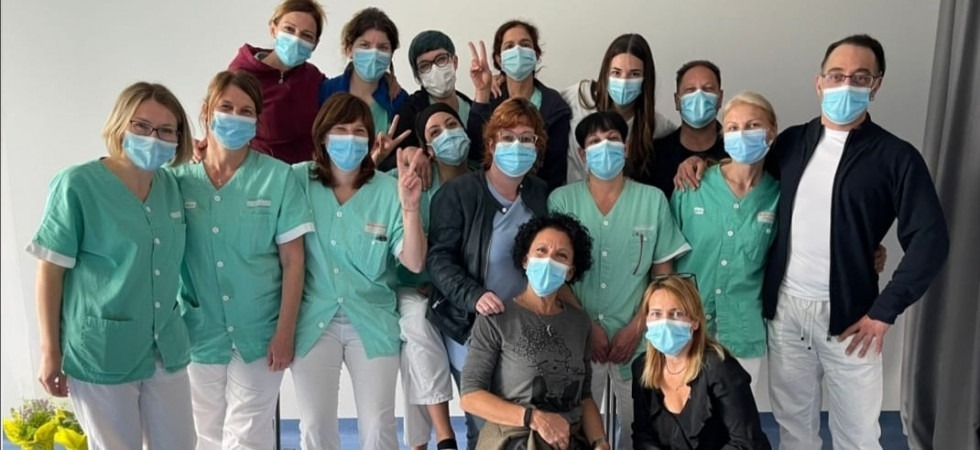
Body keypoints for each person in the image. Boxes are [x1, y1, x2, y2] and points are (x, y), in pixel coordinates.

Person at [763, 34, 949, 449]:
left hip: (853, 318)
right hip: (787, 313)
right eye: (836, 75)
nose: (845, 85)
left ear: (876, 85)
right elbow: (748, 197)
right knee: (794, 430)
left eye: (859, 77)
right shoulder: (791, 143)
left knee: (859, 436)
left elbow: (930, 238)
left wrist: (885, 311)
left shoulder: (896, 157)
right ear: (819, 82)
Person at [28, 82, 195, 449]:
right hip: (102, 349)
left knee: (181, 443)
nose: (153, 137)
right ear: (121, 124)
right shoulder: (78, 184)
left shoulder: (170, 186)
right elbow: (50, 271)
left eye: (166, 130)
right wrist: (50, 351)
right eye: (142, 125)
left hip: (165, 346)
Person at [172, 70, 313, 450]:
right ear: (206, 111)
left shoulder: (278, 178)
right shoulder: (178, 180)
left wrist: (285, 332)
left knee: (249, 434)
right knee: (204, 432)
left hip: (260, 329)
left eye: (246, 111)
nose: (235, 117)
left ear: (257, 119)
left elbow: (294, 263)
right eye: (226, 107)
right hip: (199, 330)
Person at [289, 92, 426, 449]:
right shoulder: (297, 180)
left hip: (372, 319)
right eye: (340, 130)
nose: (350, 139)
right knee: (315, 425)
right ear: (323, 136)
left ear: (370, 140)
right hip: (314, 319)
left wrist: (411, 209)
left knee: (378, 425)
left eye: (358, 131)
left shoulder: (389, 190)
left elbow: (413, 262)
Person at [548, 111, 691, 450]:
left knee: (640, 430)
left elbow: (663, 275)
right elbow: (555, 274)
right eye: (594, 142)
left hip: (637, 339)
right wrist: (587, 326)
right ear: (582, 154)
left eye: (612, 139)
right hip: (578, 337)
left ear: (626, 148)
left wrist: (638, 326)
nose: (604, 147)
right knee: (579, 432)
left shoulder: (652, 200)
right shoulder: (562, 201)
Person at [427, 97, 552, 449]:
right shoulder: (459, 193)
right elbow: (438, 260)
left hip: (525, 331)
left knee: (522, 429)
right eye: (508, 137)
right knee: (484, 429)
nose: (517, 146)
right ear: (492, 143)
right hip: (472, 329)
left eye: (526, 139)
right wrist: (474, 295)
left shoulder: (540, 195)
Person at [460, 213, 610, 450]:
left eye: (561, 255)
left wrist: (600, 442)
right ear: (525, 260)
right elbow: (470, 397)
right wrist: (534, 419)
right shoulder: (496, 319)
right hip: (515, 440)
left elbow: (584, 396)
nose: (549, 260)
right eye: (541, 250)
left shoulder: (579, 322)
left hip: (570, 441)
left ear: (570, 271)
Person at [669, 91, 780, 390]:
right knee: (685, 414)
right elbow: (663, 258)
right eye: (732, 127)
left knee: (738, 415)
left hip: (742, 331)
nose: (742, 134)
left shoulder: (778, 196)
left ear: (772, 132)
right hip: (686, 327)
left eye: (752, 125)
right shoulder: (692, 185)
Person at [397, 103, 471, 450]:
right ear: (427, 148)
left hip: (463, 289)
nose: (447, 135)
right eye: (435, 132)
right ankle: (444, 435)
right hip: (417, 287)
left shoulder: (484, 179)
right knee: (417, 327)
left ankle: (422, 444)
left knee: (414, 356)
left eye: (452, 125)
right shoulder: (421, 181)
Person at [632, 274, 771, 449]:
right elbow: (643, 436)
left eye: (676, 314)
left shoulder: (720, 368)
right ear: (646, 320)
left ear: (695, 321)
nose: (665, 323)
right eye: (656, 314)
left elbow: (745, 443)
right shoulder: (642, 368)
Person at [467, 20, 571, 192]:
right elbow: (474, 153)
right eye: (509, 46)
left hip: (537, 196)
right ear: (499, 59)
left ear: (536, 55)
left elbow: (555, 171)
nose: (518, 51)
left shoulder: (555, 107)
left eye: (525, 44)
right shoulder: (490, 99)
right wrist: (481, 92)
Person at [561, 33, 676, 184]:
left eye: (634, 74)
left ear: (646, 79)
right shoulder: (578, 97)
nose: (624, 81)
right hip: (571, 193)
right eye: (616, 72)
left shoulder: (656, 126)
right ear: (605, 73)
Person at [228, 0, 327, 164]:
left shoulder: (313, 78)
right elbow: (221, 121)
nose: (296, 39)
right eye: (289, 29)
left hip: (306, 174)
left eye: (307, 36)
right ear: (273, 29)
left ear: (315, 44)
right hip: (260, 173)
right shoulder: (241, 76)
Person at [319, 7, 410, 168]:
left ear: (391, 54)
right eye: (365, 45)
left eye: (383, 47)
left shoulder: (399, 99)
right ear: (349, 49)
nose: (374, 53)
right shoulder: (326, 91)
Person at [638, 60, 729, 198]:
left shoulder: (736, 151)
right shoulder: (653, 157)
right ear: (677, 101)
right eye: (690, 90)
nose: (699, 96)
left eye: (708, 89)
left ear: (720, 98)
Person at [389, 30, 474, 171]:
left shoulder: (472, 108)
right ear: (417, 76)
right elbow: (387, 162)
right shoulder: (409, 113)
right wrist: (406, 154)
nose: (435, 69)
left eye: (441, 59)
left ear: (454, 62)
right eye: (425, 66)